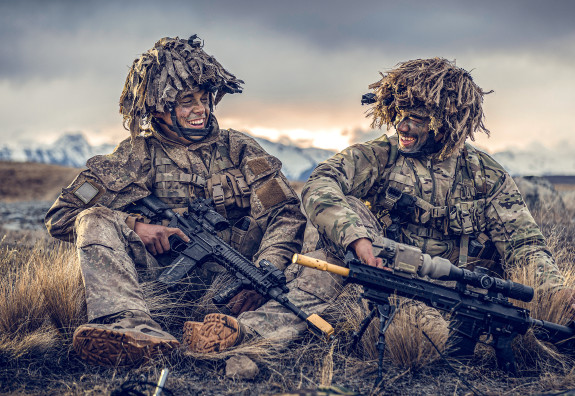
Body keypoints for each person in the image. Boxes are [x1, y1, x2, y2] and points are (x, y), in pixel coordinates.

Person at [45, 35, 326, 368]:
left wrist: (264, 273)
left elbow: (285, 214)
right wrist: (136, 226)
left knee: (322, 248)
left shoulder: (239, 149)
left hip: (237, 289)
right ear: (158, 109)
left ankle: (241, 332)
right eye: (185, 101)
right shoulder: (134, 157)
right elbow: (62, 217)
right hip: (158, 291)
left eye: (204, 98)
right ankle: (130, 327)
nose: (200, 109)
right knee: (92, 218)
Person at [302, 58, 575, 353]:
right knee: (422, 345)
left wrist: (556, 296)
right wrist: (355, 235)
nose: (402, 126)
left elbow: (525, 245)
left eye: (417, 118)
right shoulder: (380, 156)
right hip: (393, 287)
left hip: (466, 300)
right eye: (400, 114)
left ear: (448, 122)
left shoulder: (487, 175)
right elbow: (321, 182)